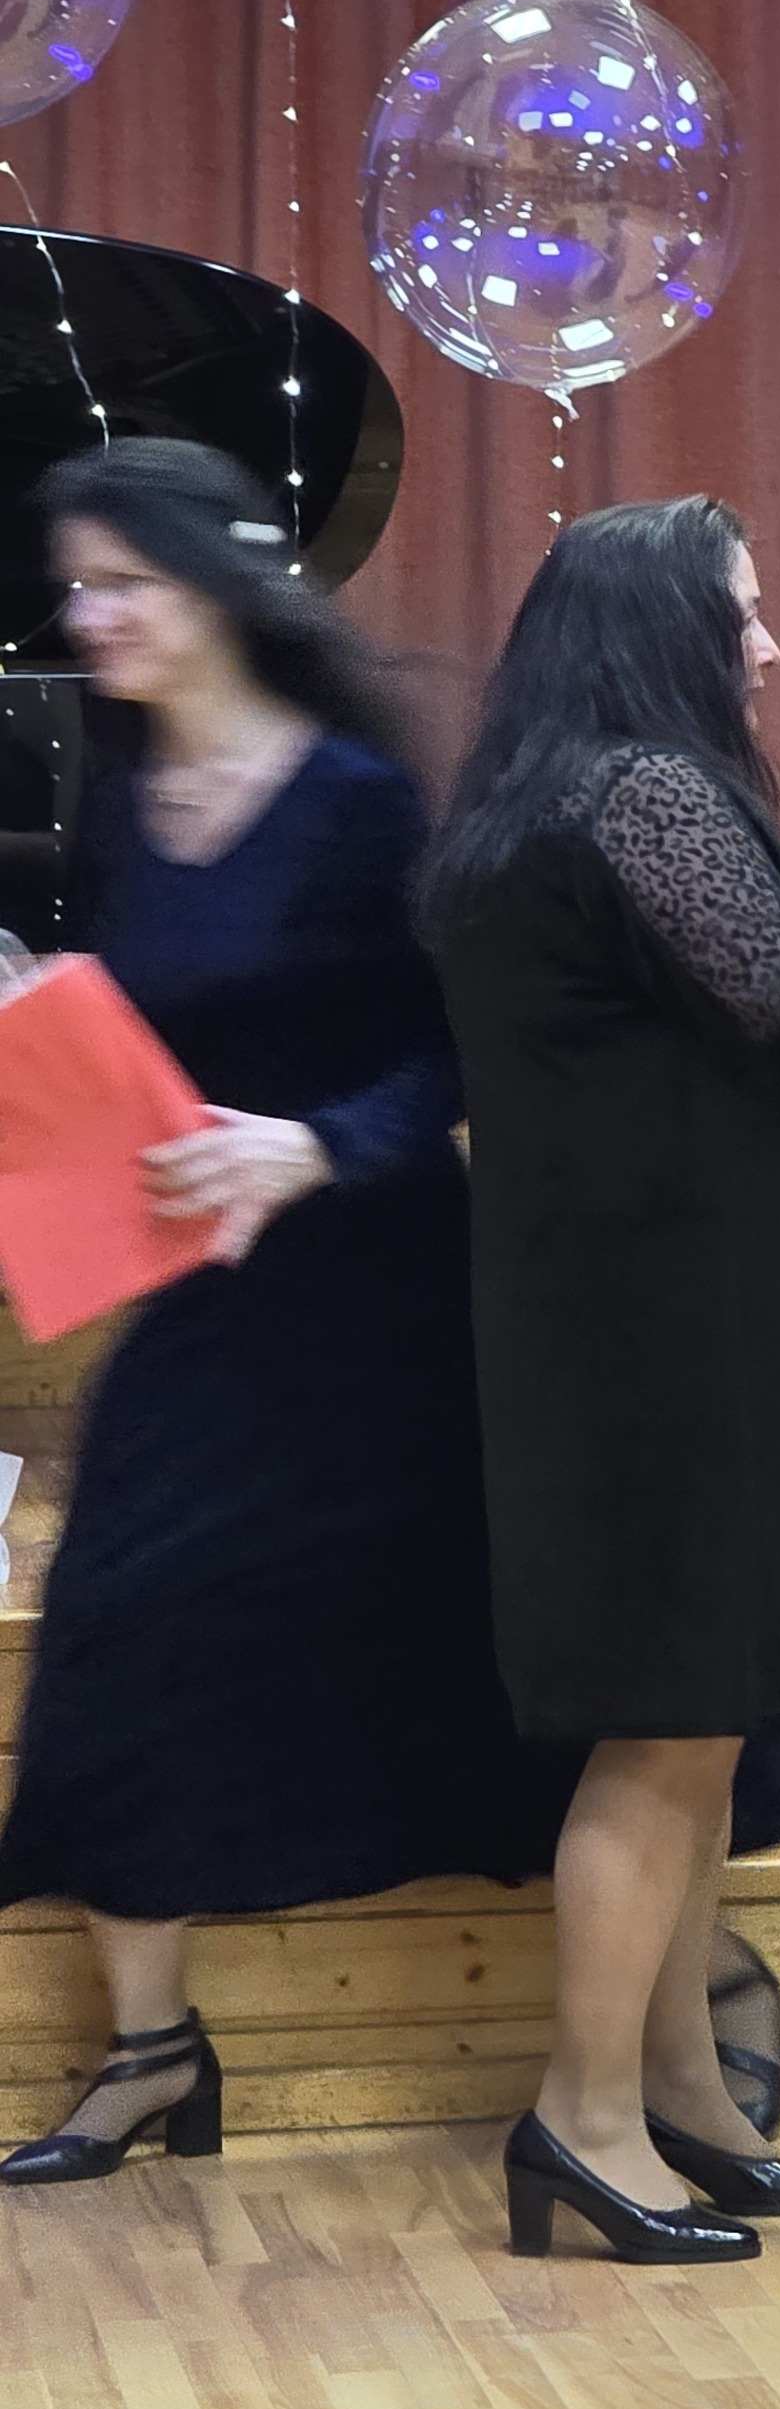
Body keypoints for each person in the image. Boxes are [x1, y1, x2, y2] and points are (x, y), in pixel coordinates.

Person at [0, 437, 580, 2182]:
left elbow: (461, 1050)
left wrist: (314, 1147)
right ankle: (153, 2053)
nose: (88, 615)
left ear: (210, 584)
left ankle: (693, 1991)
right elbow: (154, 1046)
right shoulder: (122, 800)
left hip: (386, 1298)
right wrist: (43, 1008)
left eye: (123, 582)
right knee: (118, 1620)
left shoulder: (354, 800)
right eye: (78, 584)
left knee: (495, 1657)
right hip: (212, 1295)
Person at [426, 497, 780, 2264]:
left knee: (701, 1716)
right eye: (741, 614)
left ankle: (680, 2088)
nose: (768, 645)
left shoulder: (534, 808)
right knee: (668, 1723)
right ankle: (582, 2118)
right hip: (673, 1336)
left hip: (638, 1314)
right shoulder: (641, 795)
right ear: (657, 628)